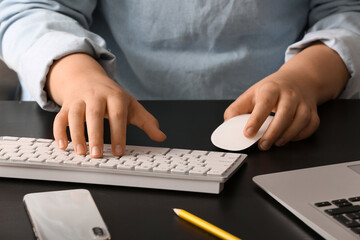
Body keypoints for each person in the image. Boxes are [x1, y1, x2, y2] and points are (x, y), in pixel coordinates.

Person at [0, 0, 359, 158]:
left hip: (281, 130)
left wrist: (303, 79)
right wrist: (79, 79)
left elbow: (347, 12)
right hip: (102, 133)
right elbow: (29, 10)